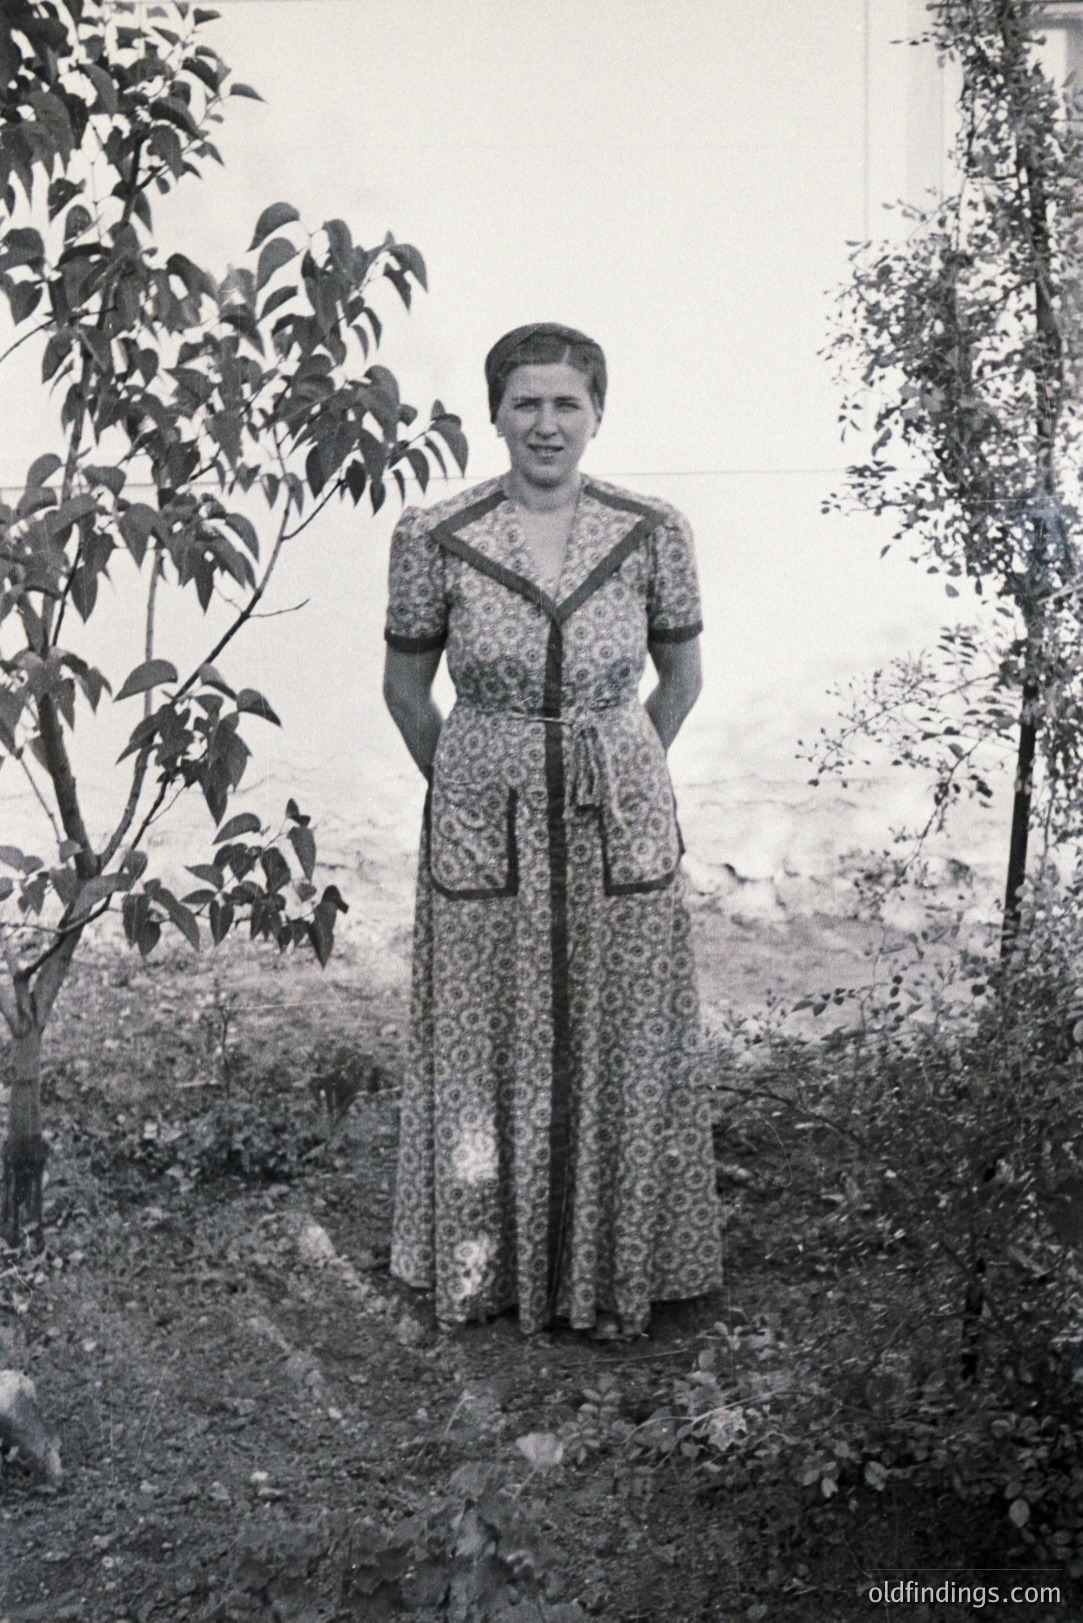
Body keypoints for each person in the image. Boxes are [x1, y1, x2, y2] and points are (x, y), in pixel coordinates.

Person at [382, 322, 721, 1338]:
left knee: (629, 1030)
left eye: (566, 403)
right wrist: (477, 784)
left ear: (598, 415)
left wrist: (624, 765)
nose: (545, 423)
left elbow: (684, 676)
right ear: (494, 413)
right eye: (525, 402)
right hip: (488, 826)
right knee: (488, 1033)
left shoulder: (652, 529)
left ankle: (621, 1270)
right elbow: (406, 692)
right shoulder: (433, 535)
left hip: (620, 818)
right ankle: (494, 1272)